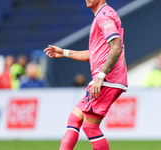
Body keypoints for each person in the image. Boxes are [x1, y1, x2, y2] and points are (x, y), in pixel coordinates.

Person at [44, 0, 128, 149]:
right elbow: (93, 54)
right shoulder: (103, 15)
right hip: (108, 79)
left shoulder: (104, 16)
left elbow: (116, 47)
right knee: (74, 119)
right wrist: (63, 52)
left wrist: (100, 77)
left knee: (90, 127)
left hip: (107, 80)